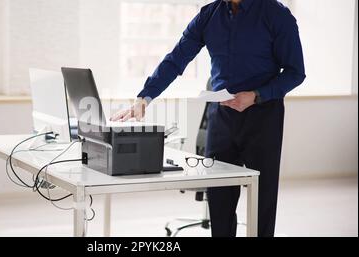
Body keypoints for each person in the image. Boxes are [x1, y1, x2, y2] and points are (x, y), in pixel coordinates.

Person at [111, 0, 305, 237]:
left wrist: (256, 96)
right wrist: (144, 98)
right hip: (221, 117)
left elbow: (296, 72)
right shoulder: (209, 15)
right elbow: (176, 59)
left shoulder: (276, 14)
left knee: (262, 199)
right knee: (219, 199)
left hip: (263, 116)